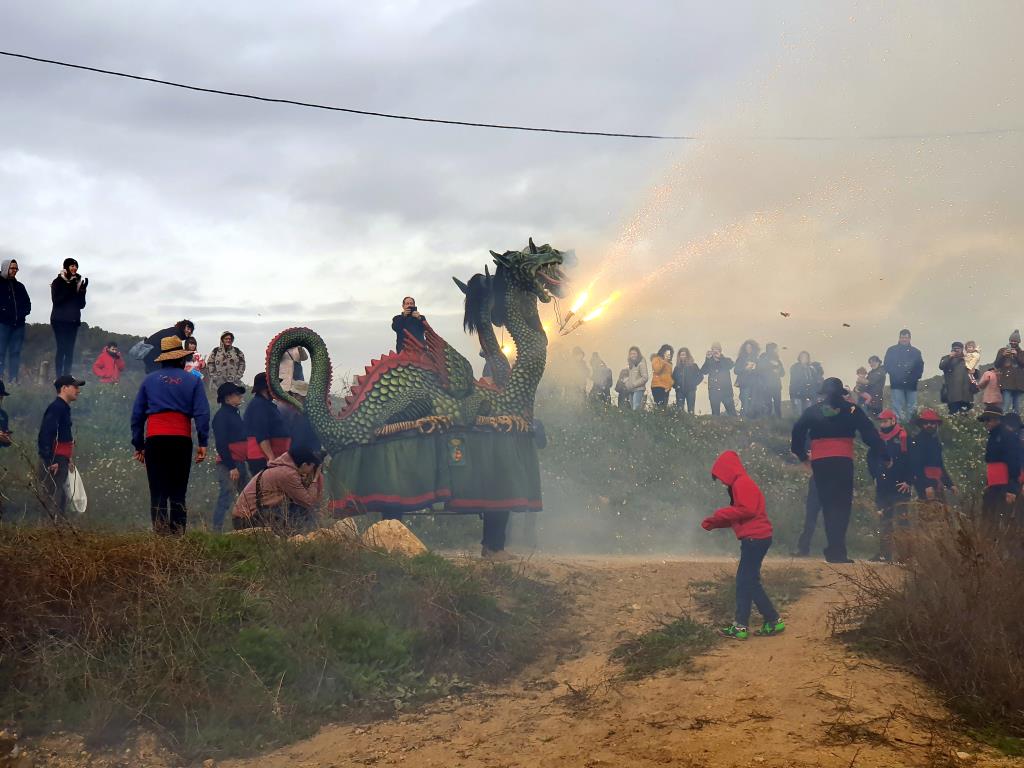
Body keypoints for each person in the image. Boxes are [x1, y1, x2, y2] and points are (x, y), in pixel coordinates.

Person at [791, 377, 884, 563]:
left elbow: (797, 432)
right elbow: (869, 433)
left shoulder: (814, 410)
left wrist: (802, 455)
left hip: (821, 463)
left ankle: (834, 550)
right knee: (841, 507)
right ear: (842, 393)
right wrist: (884, 453)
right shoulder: (852, 410)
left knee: (827, 506)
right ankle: (837, 551)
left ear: (824, 393)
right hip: (842, 461)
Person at [701, 450, 785, 641]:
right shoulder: (741, 483)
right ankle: (755, 623)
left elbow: (746, 510)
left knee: (745, 582)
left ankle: (759, 622)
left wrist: (720, 514)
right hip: (757, 538)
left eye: (722, 477)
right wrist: (715, 523)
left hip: (755, 539)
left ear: (728, 470)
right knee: (748, 582)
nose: (722, 482)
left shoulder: (742, 483)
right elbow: (740, 515)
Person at [131, 337, 210, 535]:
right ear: (182, 359)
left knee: (158, 492)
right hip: (181, 440)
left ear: (162, 359)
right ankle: (177, 538)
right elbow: (202, 413)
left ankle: (160, 539)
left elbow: (137, 416)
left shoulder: (149, 380)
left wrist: (139, 445)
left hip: (155, 441)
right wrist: (203, 442)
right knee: (178, 492)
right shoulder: (193, 380)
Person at [232, 446, 324, 533]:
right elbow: (309, 502)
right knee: (301, 510)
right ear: (304, 464)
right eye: (312, 467)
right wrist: (315, 479)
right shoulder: (287, 474)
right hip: (247, 520)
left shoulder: (280, 468)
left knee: (294, 508)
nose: (312, 470)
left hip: (247, 517)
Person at [867, 409, 913, 562]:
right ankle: (884, 553)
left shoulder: (904, 437)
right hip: (883, 485)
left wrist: (908, 481)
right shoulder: (878, 439)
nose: (883, 424)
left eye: (885, 421)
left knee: (902, 521)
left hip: (900, 485)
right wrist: (874, 476)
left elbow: (911, 461)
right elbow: (870, 459)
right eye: (881, 421)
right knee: (884, 520)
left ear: (893, 421)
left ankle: (905, 555)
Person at [37, 374, 84, 519]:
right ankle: (47, 534)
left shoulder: (63, 408)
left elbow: (62, 436)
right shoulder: (56, 407)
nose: (78, 390)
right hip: (54, 460)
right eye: (75, 386)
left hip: (61, 459)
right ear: (64, 388)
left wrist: (67, 457)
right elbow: (46, 434)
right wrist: (51, 460)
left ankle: (58, 533)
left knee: (61, 498)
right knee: (52, 498)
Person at [211, 382, 249, 533]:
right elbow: (221, 443)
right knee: (226, 497)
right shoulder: (221, 417)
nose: (240, 397)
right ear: (227, 398)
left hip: (239, 461)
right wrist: (231, 466)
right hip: (229, 464)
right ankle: (217, 530)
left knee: (246, 496)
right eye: (236, 394)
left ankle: (248, 528)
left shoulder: (234, 414)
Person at [977, 404, 1020, 526]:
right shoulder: (993, 436)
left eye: (988, 419)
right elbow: (992, 463)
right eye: (984, 420)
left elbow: (1014, 463)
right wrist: (988, 483)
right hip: (994, 485)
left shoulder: (1008, 436)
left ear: (997, 419)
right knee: (987, 519)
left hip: (1005, 486)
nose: (986, 423)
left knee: (1002, 521)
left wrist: (1012, 489)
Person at [244, 372, 290, 474]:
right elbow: (261, 434)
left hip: (274, 456)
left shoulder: (266, 404)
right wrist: (271, 457)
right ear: (265, 388)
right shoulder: (259, 405)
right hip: (262, 458)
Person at [50, 258, 88, 377]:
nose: (74, 268)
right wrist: (71, 287)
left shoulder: (77, 283)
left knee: (70, 350)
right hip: (59, 320)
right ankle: (58, 377)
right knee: (62, 348)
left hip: (73, 321)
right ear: (66, 267)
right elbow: (57, 301)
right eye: (72, 266)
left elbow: (81, 305)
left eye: (76, 266)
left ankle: (67, 376)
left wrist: (82, 291)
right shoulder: (57, 282)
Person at [909, 409, 956, 502]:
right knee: (928, 512)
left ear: (936, 424)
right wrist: (926, 485)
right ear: (922, 425)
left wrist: (950, 484)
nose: (929, 425)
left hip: (937, 481)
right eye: (926, 423)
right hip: (924, 482)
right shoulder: (918, 441)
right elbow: (916, 467)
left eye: (932, 423)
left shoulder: (936, 441)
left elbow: (940, 465)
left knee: (941, 512)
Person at [0, 258, 31, 384]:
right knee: (0, 351)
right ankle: (0, 378)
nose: (14, 271)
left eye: (16, 268)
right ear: (6, 268)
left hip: (18, 325)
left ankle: (13, 379)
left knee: (15, 352)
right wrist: (4, 312)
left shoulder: (20, 286)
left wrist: (22, 314)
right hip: (2, 324)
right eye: (12, 268)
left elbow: (28, 304)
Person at [883, 329, 924, 421]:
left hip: (911, 384)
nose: (904, 339)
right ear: (899, 338)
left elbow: (920, 366)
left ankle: (911, 426)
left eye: (906, 337)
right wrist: (897, 375)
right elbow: (887, 365)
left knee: (912, 408)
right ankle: (898, 427)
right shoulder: (891, 350)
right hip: (896, 384)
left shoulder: (916, 352)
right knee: (897, 407)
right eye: (902, 337)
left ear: (910, 338)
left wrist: (915, 377)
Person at [701, 343, 736, 416]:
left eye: (717, 349)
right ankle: (716, 427)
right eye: (713, 349)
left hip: (726, 391)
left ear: (720, 351)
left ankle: (736, 426)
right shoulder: (709, 362)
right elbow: (703, 371)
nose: (715, 351)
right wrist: (707, 359)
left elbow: (731, 365)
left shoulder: (726, 360)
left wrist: (720, 358)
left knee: (732, 414)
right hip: (714, 392)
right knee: (715, 415)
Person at [993, 330, 1024, 414]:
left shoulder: (1022, 353)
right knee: (1005, 407)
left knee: (1017, 408)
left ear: (1018, 342)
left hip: (1019, 384)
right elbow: (996, 365)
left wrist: (1016, 355)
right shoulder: (1002, 351)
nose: (1013, 342)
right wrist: (1003, 355)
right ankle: (1003, 424)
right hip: (1006, 383)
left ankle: (1016, 425)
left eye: (1015, 341)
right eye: (1011, 340)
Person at [938, 342, 972, 415]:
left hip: (965, 394)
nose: (956, 351)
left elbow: (974, 373)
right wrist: (950, 357)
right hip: (952, 394)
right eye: (954, 349)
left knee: (965, 416)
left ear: (962, 349)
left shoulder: (967, 359)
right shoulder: (946, 358)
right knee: (953, 414)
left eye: (958, 349)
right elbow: (941, 366)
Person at [756, 342, 785, 418]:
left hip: (776, 386)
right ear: (771, 349)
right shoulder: (763, 359)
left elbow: (783, 373)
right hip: (766, 386)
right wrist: (771, 368)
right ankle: (768, 423)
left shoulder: (777, 360)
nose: (777, 350)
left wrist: (778, 370)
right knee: (768, 405)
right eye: (776, 349)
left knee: (777, 405)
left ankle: (779, 423)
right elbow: (759, 371)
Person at [789, 351, 822, 416]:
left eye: (806, 357)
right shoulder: (795, 367)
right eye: (802, 357)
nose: (804, 358)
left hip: (809, 393)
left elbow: (815, 379)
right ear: (799, 358)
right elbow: (794, 381)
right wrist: (793, 394)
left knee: (808, 412)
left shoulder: (811, 368)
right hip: (798, 393)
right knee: (799, 413)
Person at [672, 347, 703, 414]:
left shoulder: (693, 366)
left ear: (687, 355)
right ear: (679, 356)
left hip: (690, 391)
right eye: (681, 355)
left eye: (684, 354)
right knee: (680, 410)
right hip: (679, 392)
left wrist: (693, 384)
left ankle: (691, 423)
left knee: (691, 410)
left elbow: (700, 376)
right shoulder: (677, 368)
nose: (683, 356)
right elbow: (672, 379)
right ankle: (681, 424)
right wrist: (676, 386)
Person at [735, 340, 761, 417]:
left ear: (753, 348)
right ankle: (743, 420)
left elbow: (761, 371)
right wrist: (745, 368)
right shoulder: (741, 359)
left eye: (750, 347)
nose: (748, 349)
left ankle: (752, 422)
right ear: (744, 348)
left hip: (755, 384)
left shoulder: (756, 359)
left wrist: (755, 368)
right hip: (744, 384)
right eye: (747, 347)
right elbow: (736, 370)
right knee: (745, 403)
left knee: (753, 403)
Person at [624, 346, 648, 411]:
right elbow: (628, 377)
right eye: (631, 354)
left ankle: (639, 421)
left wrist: (634, 384)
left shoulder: (641, 362)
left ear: (638, 354)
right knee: (633, 410)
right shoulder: (630, 364)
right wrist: (627, 383)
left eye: (634, 353)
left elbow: (645, 377)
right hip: (631, 390)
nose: (632, 355)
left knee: (636, 409)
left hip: (639, 389)